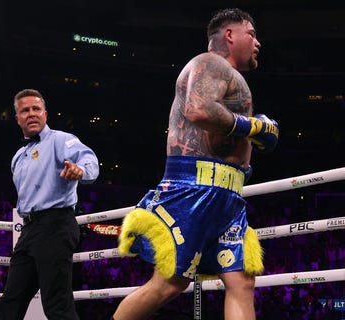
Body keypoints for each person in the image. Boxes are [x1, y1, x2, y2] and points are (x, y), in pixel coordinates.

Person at [113, 8, 279, 320]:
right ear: (229, 34)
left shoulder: (230, 75)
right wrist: (253, 128)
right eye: (252, 34)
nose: (258, 43)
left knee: (242, 282)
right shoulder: (209, 63)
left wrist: (248, 146)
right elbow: (199, 109)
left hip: (227, 195)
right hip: (194, 188)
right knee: (168, 284)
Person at [0, 88, 100, 319]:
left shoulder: (60, 140)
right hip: (29, 230)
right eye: (25, 110)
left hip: (56, 224)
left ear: (45, 114)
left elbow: (89, 160)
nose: (31, 114)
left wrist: (79, 170)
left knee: (57, 303)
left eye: (36, 109)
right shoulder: (18, 157)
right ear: (17, 119)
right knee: (10, 302)